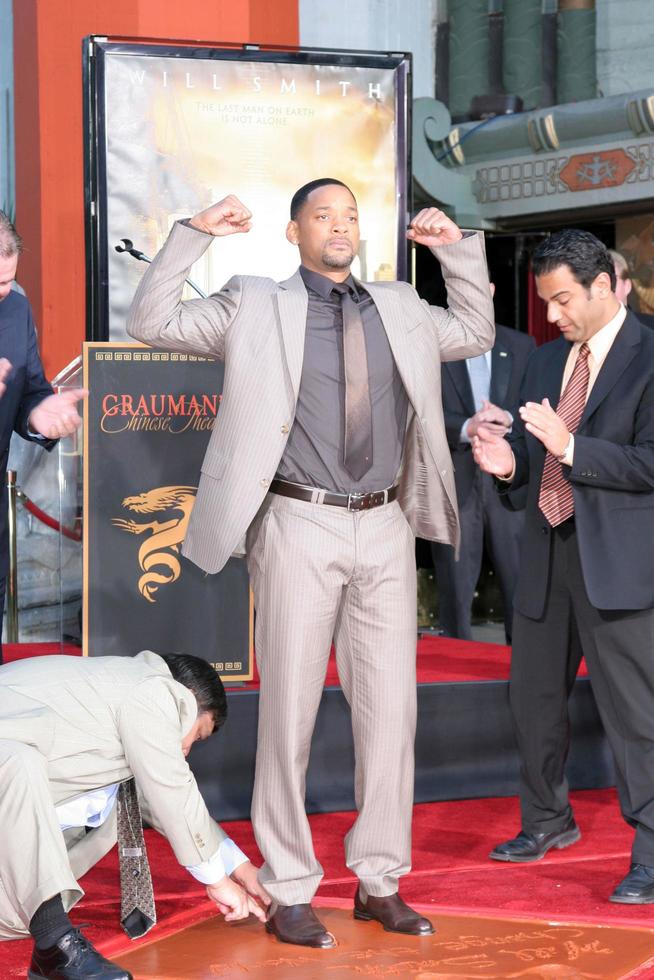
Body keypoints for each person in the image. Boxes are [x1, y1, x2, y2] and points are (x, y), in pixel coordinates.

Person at [126, 178, 494, 948]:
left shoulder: (399, 306)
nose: (340, 226)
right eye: (323, 215)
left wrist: (456, 254)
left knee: (391, 714)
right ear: (294, 233)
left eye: (350, 215)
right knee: (289, 710)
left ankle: (380, 880)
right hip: (298, 521)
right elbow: (151, 320)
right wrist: (195, 231)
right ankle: (290, 885)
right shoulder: (255, 302)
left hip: (387, 524)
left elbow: (474, 329)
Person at [472, 228, 654, 903]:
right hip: (546, 551)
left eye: (562, 300)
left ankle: (651, 852)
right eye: (545, 301)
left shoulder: (650, 354)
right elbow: (532, 463)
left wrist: (572, 447)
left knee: (637, 718)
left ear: (604, 286)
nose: (551, 316)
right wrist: (509, 465)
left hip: (621, 565)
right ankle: (547, 820)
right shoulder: (547, 360)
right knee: (534, 701)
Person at [0, 650, 268, 980]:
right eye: (196, 735)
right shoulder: (153, 691)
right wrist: (218, 882)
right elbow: (173, 787)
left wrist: (242, 869)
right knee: (17, 762)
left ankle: (46, 929)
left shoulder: (113, 713)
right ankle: (54, 943)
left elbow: (167, 805)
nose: (187, 751)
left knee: (20, 911)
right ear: (185, 698)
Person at [0, 211, 88, 661]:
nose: (3, 292)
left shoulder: (16, 307)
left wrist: (37, 413)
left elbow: (29, 386)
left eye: (7, 280)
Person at [431, 284, 535, 643]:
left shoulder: (521, 345)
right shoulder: (436, 346)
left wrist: (508, 419)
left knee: (519, 578)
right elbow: (419, 411)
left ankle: (523, 658)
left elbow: (539, 402)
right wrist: (467, 427)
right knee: (454, 582)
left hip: (508, 479)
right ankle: (453, 660)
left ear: (491, 290)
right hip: (455, 478)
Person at [609, 248, 654, 329]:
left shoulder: (650, 328)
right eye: (598, 283)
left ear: (627, 286)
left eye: (612, 281)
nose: (604, 290)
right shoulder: (585, 332)